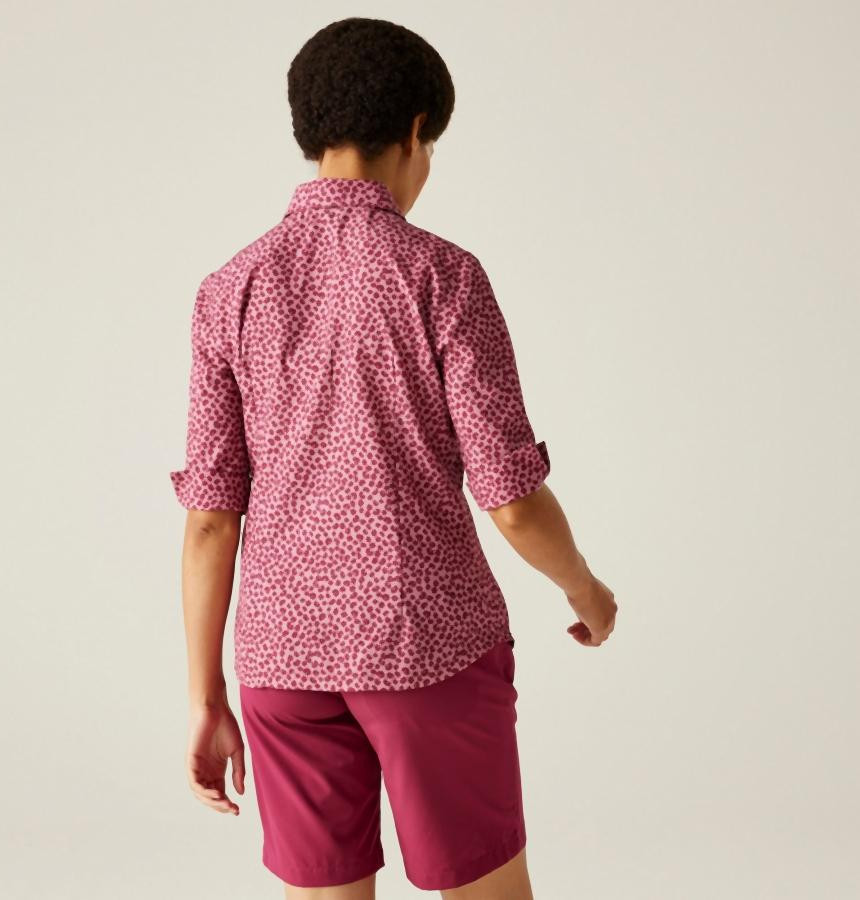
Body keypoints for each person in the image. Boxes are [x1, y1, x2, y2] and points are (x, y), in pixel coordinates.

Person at [169, 16, 617, 900]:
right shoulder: (442, 275)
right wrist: (585, 592)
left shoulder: (229, 289)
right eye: (432, 146)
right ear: (415, 133)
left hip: (282, 660)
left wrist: (205, 695)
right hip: (428, 644)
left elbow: (211, 520)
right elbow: (512, 499)